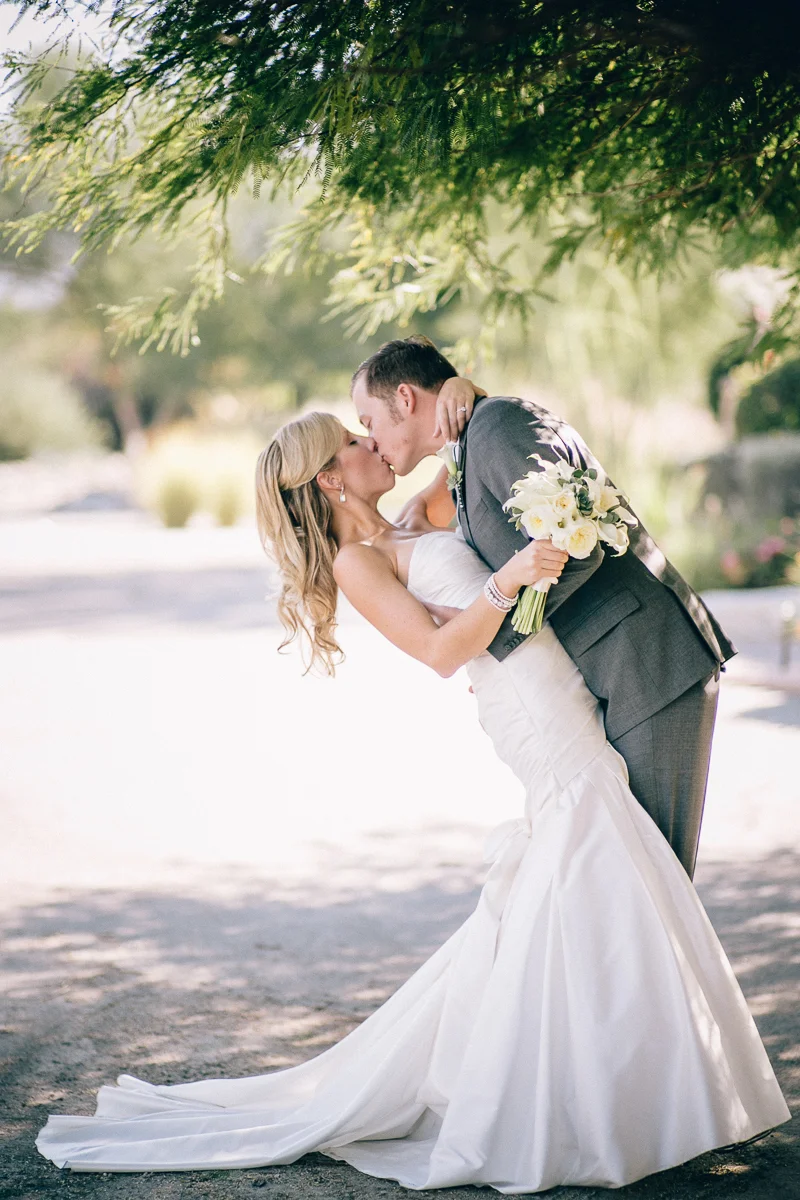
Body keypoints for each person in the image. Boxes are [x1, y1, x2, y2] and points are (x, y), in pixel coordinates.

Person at [36, 409, 789, 1191]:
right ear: (330, 478)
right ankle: (590, 1098)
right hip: (529, 712)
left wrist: (462, 398)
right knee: (589, 844)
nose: (372, 443)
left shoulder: (411, 516)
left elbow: (458, 444)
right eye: (353, 442)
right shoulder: (356, 562)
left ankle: (604, 1084)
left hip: (552, 684)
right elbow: (437, 651)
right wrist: (508, 580)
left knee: (587, 868)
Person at [352, 336, 735, 879]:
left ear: (407, 399)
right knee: (628, 878)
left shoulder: (495, 426)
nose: (371, 438)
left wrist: (502, 640)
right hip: (609, 673)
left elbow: (578, 543)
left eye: (368, 421)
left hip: (649, 664)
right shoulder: (467, 446)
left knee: (656, 880)